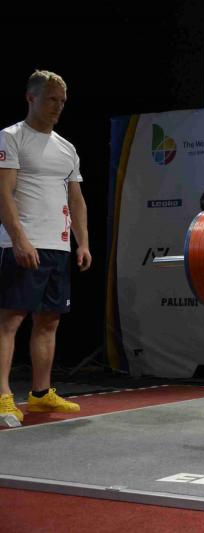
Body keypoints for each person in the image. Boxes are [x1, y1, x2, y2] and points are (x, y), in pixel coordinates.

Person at [0, 70, 91, 428]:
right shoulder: (11, 137)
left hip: (58, 246)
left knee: (49, 320)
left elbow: (76, 199)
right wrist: (19, 238)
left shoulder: (67, 148)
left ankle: (39, 394)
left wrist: (83, 242)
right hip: (24, 243)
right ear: (31, 98)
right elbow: (3, 193)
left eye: (62, 101)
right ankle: (3, 396)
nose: (58, 106)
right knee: (10, 320)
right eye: (52, 99)